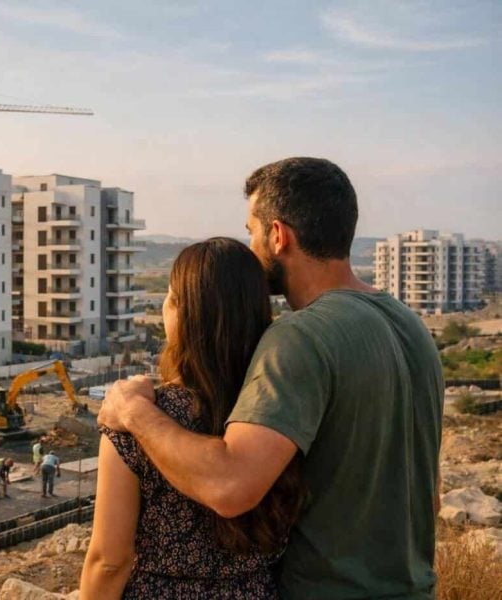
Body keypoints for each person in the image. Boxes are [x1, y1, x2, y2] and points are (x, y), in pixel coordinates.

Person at [98, 157, 444, 599]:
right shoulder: (408, 325)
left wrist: (134, 413)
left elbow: (229, 486)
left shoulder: (300, 337)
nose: (251, 245)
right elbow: (429, 497)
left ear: (278, 235)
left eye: (251, 231)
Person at [81, 239, 305, 599]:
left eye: (171, 297)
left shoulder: (133, 421)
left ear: (183, 313)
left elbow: (109, 561)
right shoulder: (275, 415)